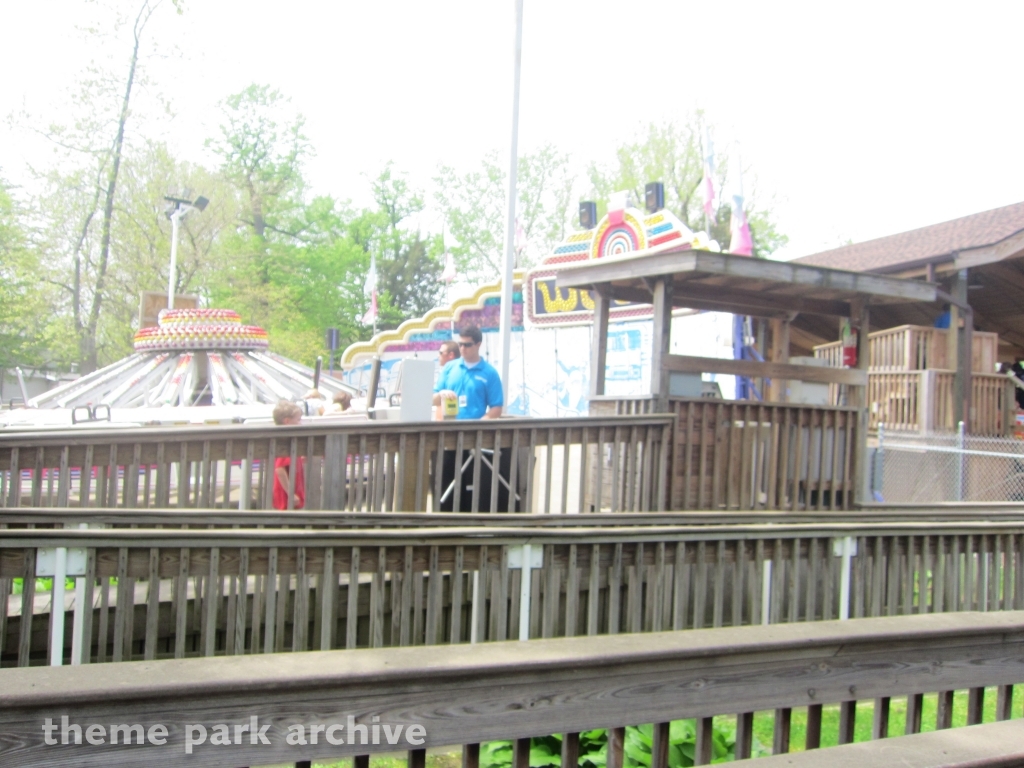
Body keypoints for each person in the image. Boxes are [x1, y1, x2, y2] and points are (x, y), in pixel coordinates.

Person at [433, 324, 503, 419]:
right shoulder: (449, 367)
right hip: (448, 430)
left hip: (474, 431)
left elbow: (496, 408)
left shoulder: (490, 373)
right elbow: (432, 400)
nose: (462, 348)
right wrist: (441, 394)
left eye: (467, 345)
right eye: (460, 344)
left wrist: (478, 427)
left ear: (478, 345)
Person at [272, 400, 306, 510]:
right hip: (287, 496)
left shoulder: (290, 441)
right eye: (298, 420)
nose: (301, 423)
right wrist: (291, 494)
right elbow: (280, 470)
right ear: (287, 421)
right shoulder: (285, 443)